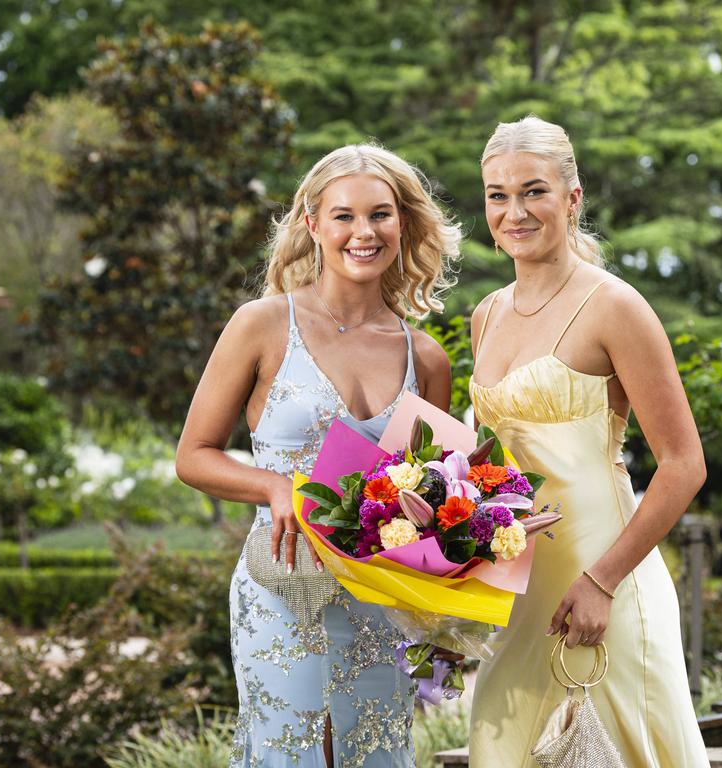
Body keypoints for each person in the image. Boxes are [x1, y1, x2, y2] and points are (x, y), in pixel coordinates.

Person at [175, 143, 459, 768]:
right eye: (344, 216)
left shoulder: (427, 357)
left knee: (377, 756)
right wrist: (275, 486)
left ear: (403, 223)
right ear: (312, 224)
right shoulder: (262, 324)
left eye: (381, 215)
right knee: (288, 755)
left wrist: (449, 616)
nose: (364, 232)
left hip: (381, 600)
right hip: (281, 584)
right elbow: (193, 455)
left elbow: (434, 499)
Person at [467, 116, 710, 767]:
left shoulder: (615, 307)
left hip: (603, 580)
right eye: (497, 194)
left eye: (533, 191)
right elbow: (492, 467)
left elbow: (684, 465)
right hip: (518, 592)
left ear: (572, 199)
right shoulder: (485, 315)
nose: (513, 211)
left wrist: (602, 581)